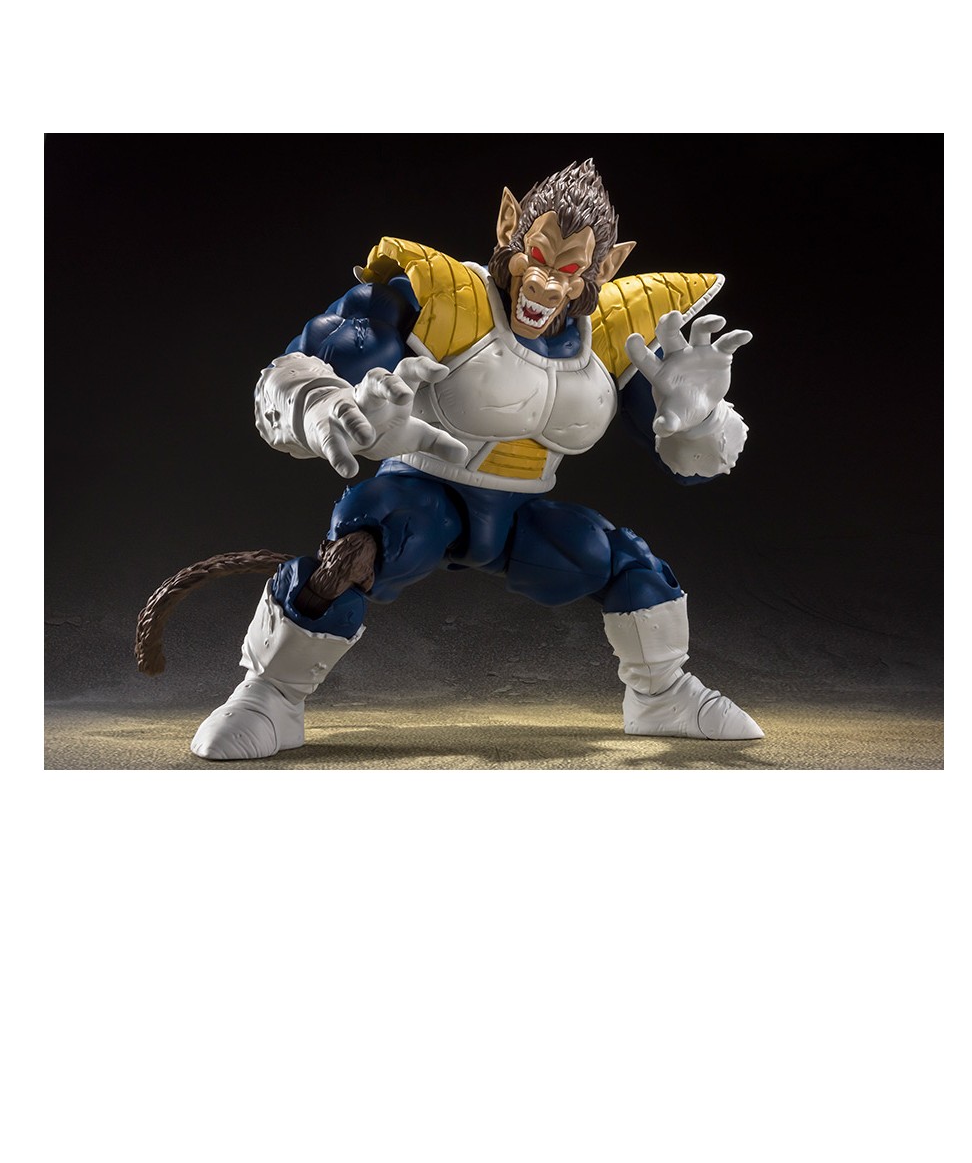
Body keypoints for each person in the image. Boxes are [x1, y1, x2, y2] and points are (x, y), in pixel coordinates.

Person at [190, 158, 762, 760]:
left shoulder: (620, 338)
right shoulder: (445, 298)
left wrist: (700, 416)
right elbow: (312, 358)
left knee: (632, 566)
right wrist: (323, 404)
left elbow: (689, 462)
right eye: (535, 257)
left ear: (605, 268)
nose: (544, 286)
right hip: (421, 494)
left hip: (519, 515)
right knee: (354, 556)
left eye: (569, 271)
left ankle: (661, 695)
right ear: (508, 226)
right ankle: (270, 693)